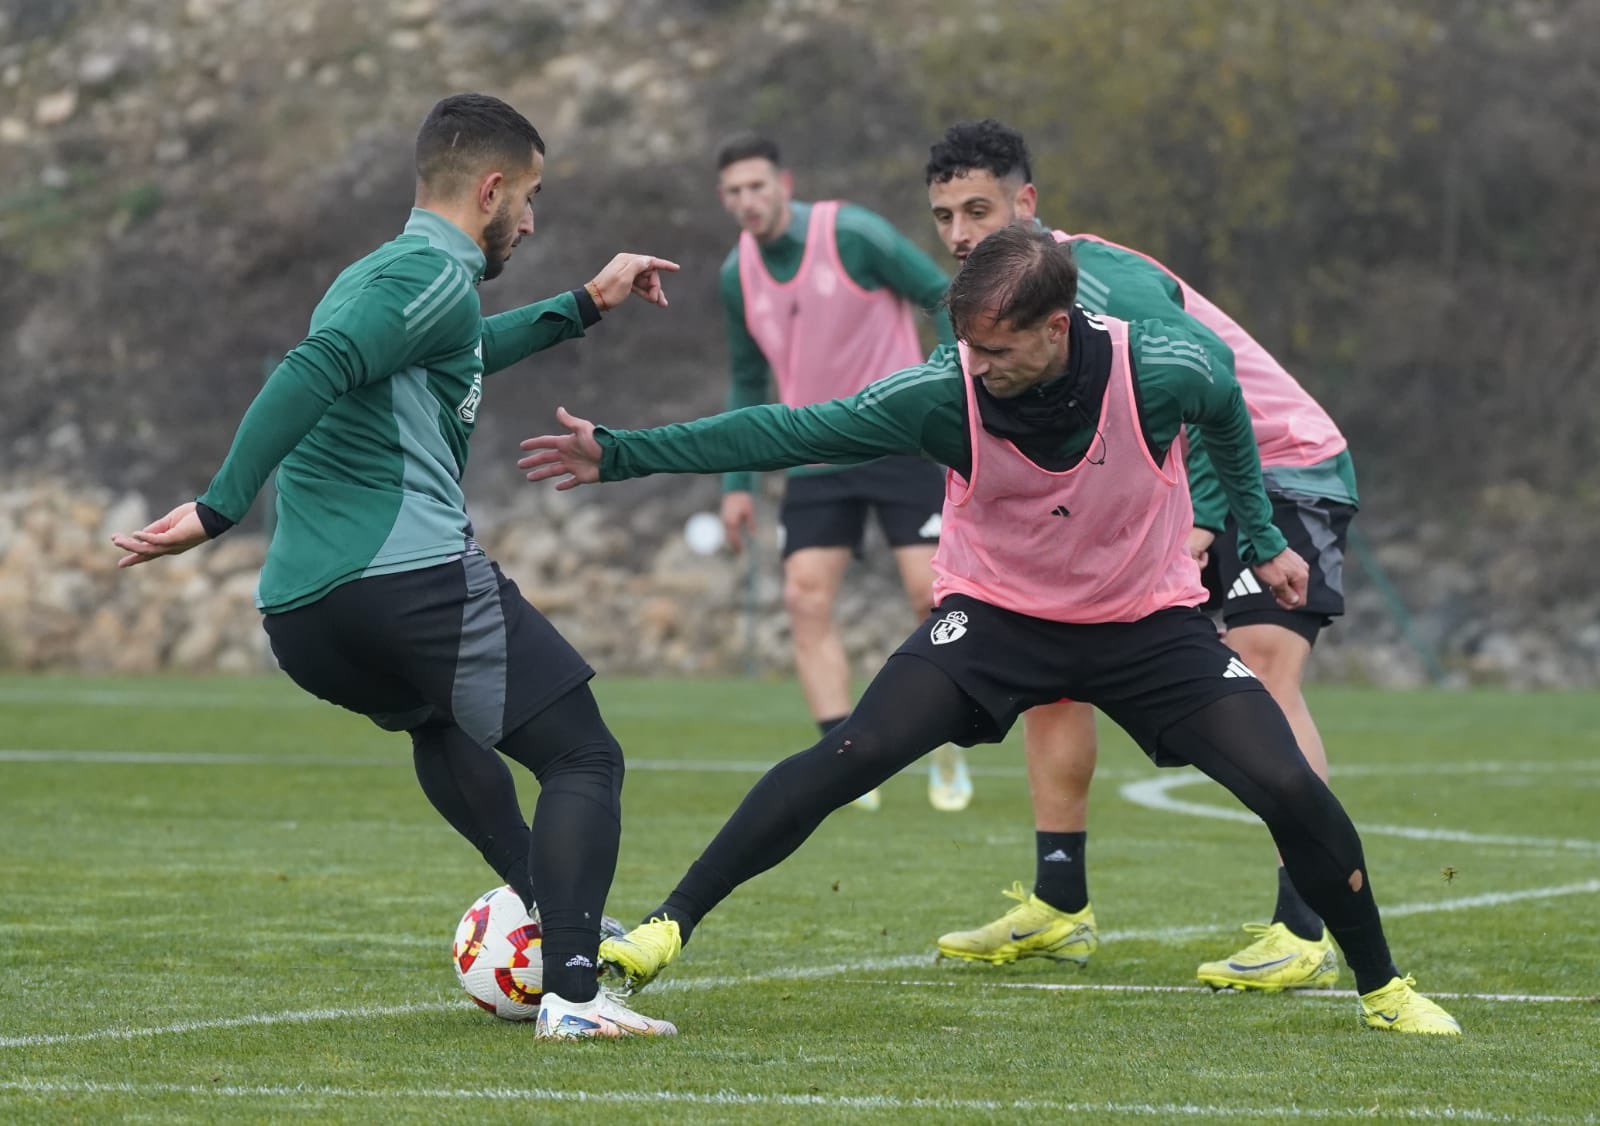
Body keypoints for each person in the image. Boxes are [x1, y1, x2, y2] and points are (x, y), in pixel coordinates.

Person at [518, 227, 1461, 1035]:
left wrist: (1260, 538)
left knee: (1289, 785)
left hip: (1147, 622)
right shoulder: (943, 395)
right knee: (853, 750)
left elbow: (1227, 423)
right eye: (967, 346)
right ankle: (664, 928)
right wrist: (625, 454)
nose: (979, 366)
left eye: (999, 350)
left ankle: (1385, 987)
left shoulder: (1166, 366)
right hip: (997, 617)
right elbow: (789, 430)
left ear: (1058, 327)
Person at [109, 93, 680, 1040]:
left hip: (305, 616)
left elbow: (458, 351)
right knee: (583, 753)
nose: (532, 221)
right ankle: (576, 992)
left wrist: (583, 305)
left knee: (438, 726)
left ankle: (552, 915)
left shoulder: (395, 278)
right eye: (530, 197)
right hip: (403, 578)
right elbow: (312, 367)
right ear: (490, 188)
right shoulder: (428, 272)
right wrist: (217, 506)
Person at [923, 119, 1365, 992]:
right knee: (1049, 655)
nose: (961, 233)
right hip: (1164, 484)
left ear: (1027, 204)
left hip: (1281, 466)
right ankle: (1060, 905)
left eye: (979, 209)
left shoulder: (1097, 277)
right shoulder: (1003, 310)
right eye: (943, 216)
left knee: (1263, 668)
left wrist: (1202, 515)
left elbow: (1209, 386)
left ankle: (1305, 926)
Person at [712, 132, 973, 812]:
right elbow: (746, 378)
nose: (748, 201)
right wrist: (737, 486)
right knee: (804, 596)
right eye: (734, 191)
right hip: (814, 450)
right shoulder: (735, 274)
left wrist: (956, 390)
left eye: (757, 186)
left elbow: (944, 295)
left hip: (901, 441)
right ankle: (844, 760)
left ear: (784, 184)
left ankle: (944, 743)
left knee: (932, 596)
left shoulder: (852, 234)